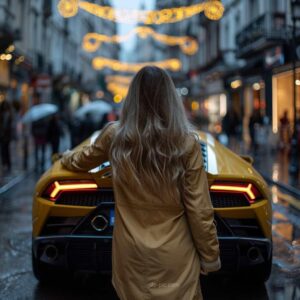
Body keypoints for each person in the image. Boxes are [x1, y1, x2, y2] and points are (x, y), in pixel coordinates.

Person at [61, 66, 220, 300]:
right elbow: (199, 208)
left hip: (131, 254)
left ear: (132, 98)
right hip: (176, 254)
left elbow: (81, 161)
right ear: (170, 99)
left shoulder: (115, 136)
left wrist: (65, 156)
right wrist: (210, 255)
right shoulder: (186, 144)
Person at [0, 100, 13, 172]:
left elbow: (10, 126)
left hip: (7, 136)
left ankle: (7, 163)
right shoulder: (1, 114)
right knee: (3, 150)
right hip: (2, 136)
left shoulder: (9, 114)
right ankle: (4, 163)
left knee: (6, 150)